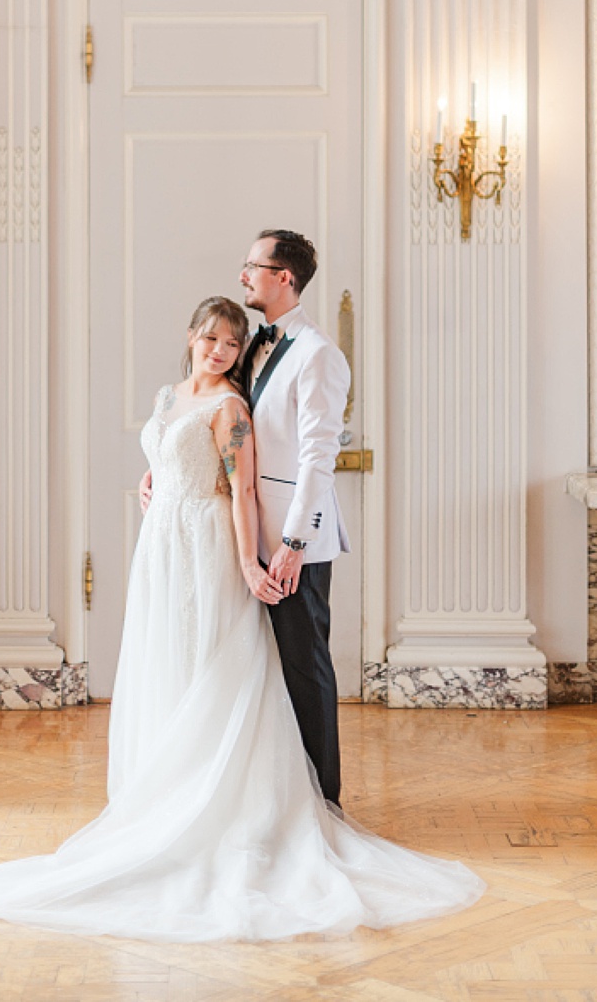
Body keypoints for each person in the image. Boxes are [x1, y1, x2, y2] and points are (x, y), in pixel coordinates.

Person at [0, 296, 482, 941]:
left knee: (208, 660)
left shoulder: (231, 408)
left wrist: (250, 563)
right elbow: (169, 452)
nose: (219, 352)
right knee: (164, 658)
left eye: (231, 344)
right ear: (191, 336)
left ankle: (218, 805)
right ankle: (159, 794)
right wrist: (153, 478)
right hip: (161, 544)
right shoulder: (170, 397)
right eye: (211, 339)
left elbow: (242, 489)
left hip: (204, 545)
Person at [234, 228, 351, 806]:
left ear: (284, 277)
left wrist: (294, 543)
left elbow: (317, 458)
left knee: (305, 669)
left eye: (253, 265)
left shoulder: (318, 353)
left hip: (292, 543)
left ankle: (323, 803)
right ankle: (272, 797)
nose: (242, 275)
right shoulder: (252, 345)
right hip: (247, 531)